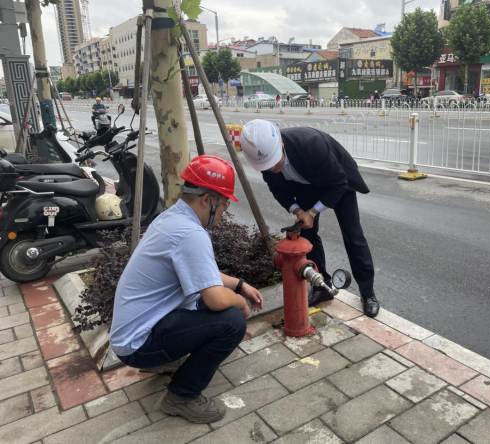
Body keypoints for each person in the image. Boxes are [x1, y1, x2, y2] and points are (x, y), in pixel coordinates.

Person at [109, 155, 264, 424]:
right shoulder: (190, 234)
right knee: (232, 321)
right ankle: (181, 396)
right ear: (207, 200)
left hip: (134, 332)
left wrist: (240, 285)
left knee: (208, 301)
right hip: (138, 344)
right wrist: (240, 302)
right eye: (224, 203)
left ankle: (164, 360)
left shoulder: (172, 217)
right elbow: (216, 300)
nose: (224, 210)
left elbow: (202, 275)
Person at [239, 120, 380, 318]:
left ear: (281, 145)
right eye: (266, 166)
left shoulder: (311, 144)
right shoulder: (263, 156)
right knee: (307, 233)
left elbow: (339, 183)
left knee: (353, 234)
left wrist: (312, 212)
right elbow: (277, 189)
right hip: (305, 185)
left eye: (274, 162)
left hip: (337, 179)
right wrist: (298, 211)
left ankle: (368, 293)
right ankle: (322, 286)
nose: (271, 169)